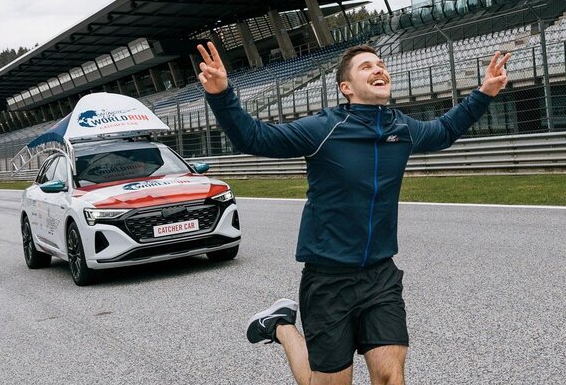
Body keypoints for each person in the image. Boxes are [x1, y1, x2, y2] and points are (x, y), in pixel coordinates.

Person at [197, 42, 511, 385]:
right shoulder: (323, 128)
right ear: (346, 88)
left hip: (380, 275)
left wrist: (485, 91)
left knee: (391, 376)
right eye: (366, 67)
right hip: (328, 280)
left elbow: (445, 130)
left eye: (380, 64)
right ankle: (282, 327)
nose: (378, 69)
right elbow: (253, 139)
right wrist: (221, 94)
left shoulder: (402, 128)